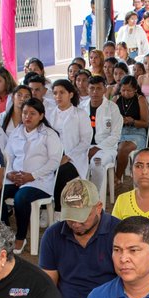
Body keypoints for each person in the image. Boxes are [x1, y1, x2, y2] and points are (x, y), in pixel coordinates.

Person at [39, 178, 117, 298]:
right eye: (70, 217)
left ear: (98, 207)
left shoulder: (118, 232)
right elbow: (46, 286)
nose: (75, 224)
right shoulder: (53, 235)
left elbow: (130, 288)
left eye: (81, 217)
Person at [2, 98, 63, 254]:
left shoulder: (49, 134)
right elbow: (8, 156)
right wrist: (10, 173)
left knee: (21, 198)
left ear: (41, 116)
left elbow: (54, 161)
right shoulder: (17, 132)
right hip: (16, 178)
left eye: (32, 113)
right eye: (24, 113)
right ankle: (5, 231)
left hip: (39, 181)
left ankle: (20, 237)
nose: (27, 117)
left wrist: (32, 176)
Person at [47, 78, 93, 211]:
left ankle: (58, 209)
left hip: (74, 158)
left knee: (61, 172)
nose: (58, 96)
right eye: (55, 93)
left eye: (62, 92)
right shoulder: (50, 115)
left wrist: (68, 156)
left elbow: (85, 140)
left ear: (70, 94)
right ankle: (45, 208)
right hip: (53, 156)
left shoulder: (80, 114)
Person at [114, 75, 149, 182]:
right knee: (109, 148)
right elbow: (110, 119)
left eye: (129, 90)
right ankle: (114, 177)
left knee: (122, 149)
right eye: (123, 90)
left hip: (137, 132)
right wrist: (120, 120)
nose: (126, 93)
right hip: (119, 131)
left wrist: (132, 121)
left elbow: (145, 123)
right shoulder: (116, 99)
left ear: (135, 89)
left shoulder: (140, 99)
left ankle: (117, 178)